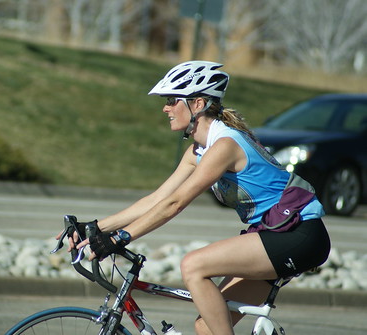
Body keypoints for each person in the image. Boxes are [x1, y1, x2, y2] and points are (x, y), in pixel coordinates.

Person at [66, 61, 331, 335]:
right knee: (207, 327)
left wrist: (121, 238)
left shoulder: (225, 145)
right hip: (273, 234)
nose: (165, 108)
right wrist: (96, 227)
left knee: (193, 265)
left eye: (172, 101)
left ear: (198, 104)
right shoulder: (198, 151)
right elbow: (159, 198)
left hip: (300, 235)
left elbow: (175, 204)